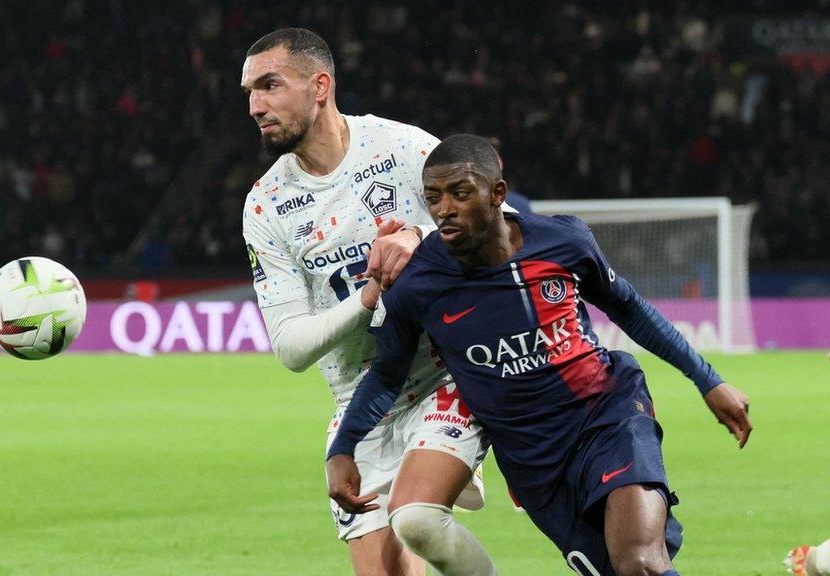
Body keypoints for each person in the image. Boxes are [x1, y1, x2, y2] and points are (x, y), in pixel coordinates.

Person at [327, 135, 753, 575]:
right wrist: (342, 449)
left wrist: (708, 379)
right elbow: (386, 375)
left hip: (606, 417)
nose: (444, 209)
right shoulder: (417, 284)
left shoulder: (562, 240)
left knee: (641, 563)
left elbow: (628, 307)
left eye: (460, 192)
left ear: (497, 194)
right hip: (533, 460)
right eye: (433, 197)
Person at [241, 29, 498, 576]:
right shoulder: (266, 206)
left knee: (418, 518)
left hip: (443, 377)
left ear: (320, 86)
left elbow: (503, 233)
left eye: (269, 86)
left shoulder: (403, 150)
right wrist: (369, 293)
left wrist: (419, 240)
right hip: (362, 402)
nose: (255, 106)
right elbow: (290, 348)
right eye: (248, 92)